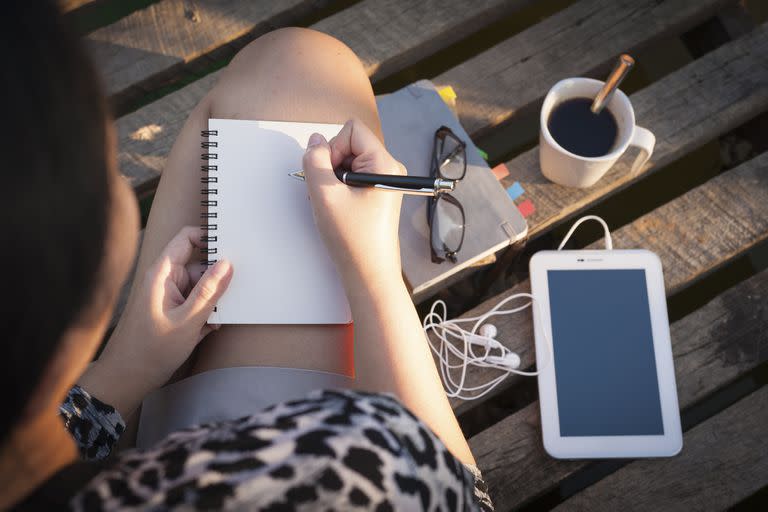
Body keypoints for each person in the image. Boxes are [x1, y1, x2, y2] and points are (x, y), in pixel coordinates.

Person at [1, 1, 493, 510]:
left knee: (288, 62)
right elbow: (458, 495)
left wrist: (127, 363)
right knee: (302, 63)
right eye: (106, 175)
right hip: (276, 451)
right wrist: (373, 272)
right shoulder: (346, 469)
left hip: (145, 432)